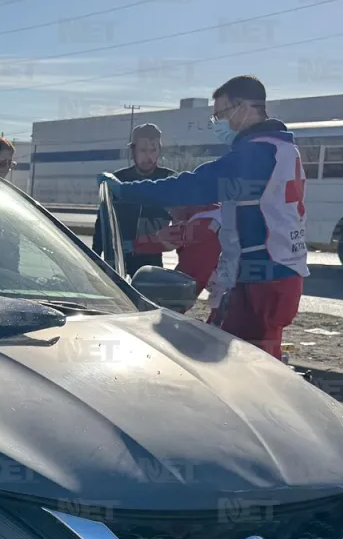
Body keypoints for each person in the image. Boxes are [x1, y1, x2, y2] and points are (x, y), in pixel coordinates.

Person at [100, 75, 308, 358]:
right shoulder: (283, 148)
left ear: (245, 107)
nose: (219, 123)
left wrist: (125, 190)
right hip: (280, 272)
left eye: (221, 114)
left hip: (261, 278)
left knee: (243, 368)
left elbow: (192, 185)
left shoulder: (258, 153)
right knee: (251, 357)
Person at [94, 123, 175, 274]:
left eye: (153, 150)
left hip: (152, 266)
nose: (148, 156)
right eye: (143, 150)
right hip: (118, 263)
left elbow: (183, 227)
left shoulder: (169, 180)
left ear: (159, 151)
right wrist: (95, 259)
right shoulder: (118, 180)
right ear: (133, 151)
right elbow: (102, 224)